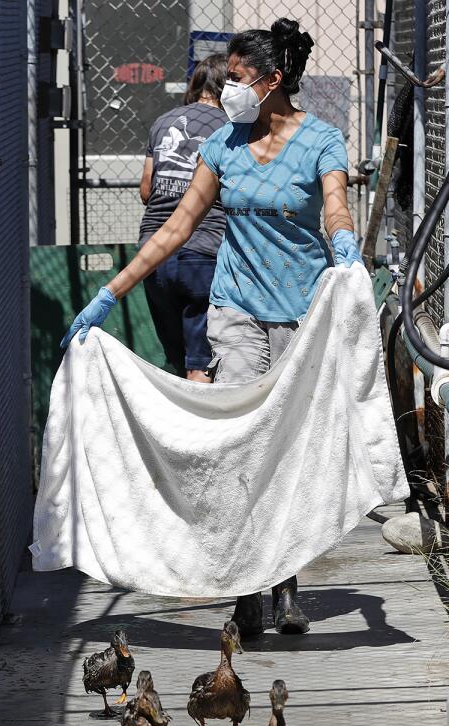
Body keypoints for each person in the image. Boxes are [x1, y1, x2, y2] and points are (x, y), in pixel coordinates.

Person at [61, 18, 363, 636]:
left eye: (239, 75)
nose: (229, 86)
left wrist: (344, 242)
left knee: (290, 448)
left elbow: (335, 201)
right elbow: (174, 227)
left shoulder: (322, 140)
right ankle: (248, 589)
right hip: (235, 310)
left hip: (302, 313)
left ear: (274, 80)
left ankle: (286, 581)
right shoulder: (222, 144)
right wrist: (108, 294)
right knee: (244, 446)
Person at [138, 55, 228, 382]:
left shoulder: (162, 122)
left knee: (176, 363)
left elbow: (147, 190)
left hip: (153, 253)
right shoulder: (231, 129)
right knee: (202, 364)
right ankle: (200, 433)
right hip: (203, 251)